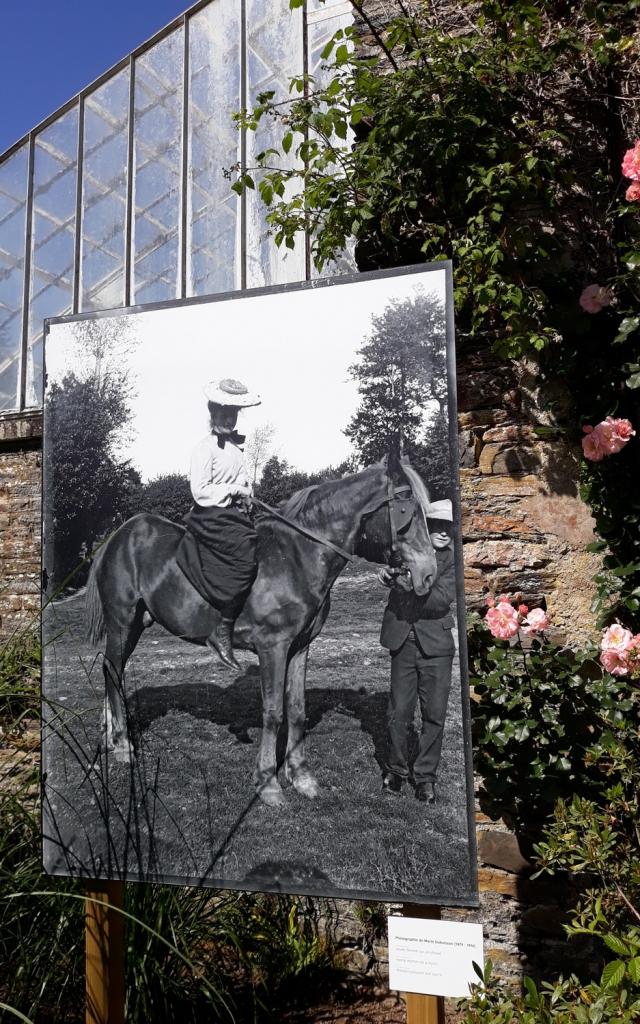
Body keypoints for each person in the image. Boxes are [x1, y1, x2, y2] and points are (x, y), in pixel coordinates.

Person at [176, 378, 261, 671]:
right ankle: (223, 627)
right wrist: (235, 490)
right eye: (224, 414)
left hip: (232, 513)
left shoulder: (236, 449)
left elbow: (242, 481)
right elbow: (200, 491)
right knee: (245, 553)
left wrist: (247, 495)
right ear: (212, 414)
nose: (229, 419)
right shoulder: (204, 449)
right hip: (209, 514)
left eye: (233, 414)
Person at [378, 498, 456, 804]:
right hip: (403, 641)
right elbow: (389, 570)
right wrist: (388, 576)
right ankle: (396, 770)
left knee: (434, 714)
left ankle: (425, 778)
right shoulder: (405, 552)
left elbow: (440, 600)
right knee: (398, 711)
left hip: (436, 646)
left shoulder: (453, 560)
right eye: (437, 526)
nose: (444, 533)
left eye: (449, 527)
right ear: (426, 526)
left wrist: (406, 585)